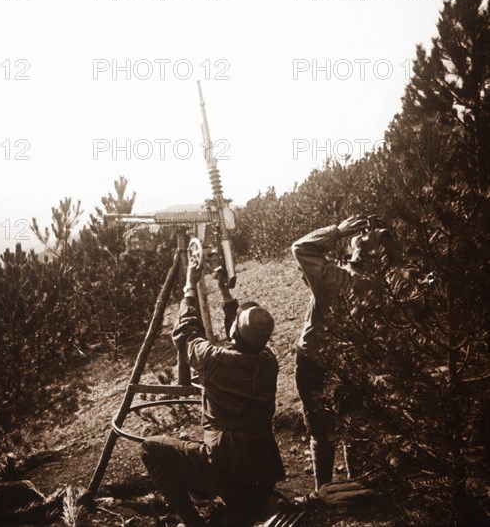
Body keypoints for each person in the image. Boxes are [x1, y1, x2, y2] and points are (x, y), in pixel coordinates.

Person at [140, 259, 285, 527]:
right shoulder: (268, 361)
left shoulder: (216, 360)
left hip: (229, 476)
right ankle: (239, 510)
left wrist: (189, 287)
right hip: (263, 478)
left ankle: (194, 523)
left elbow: (186, 334)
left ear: (235, 333)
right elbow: (240, 337)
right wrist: (225, 292)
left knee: (151, 449)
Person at [291, 215, 395, 491]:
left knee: (322, 433)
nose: (365, 233)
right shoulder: (384, 288)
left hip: (315, 363)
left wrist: (337, 231)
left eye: (370, 236)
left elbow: (300, 248)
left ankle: (323, 491)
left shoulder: (335, 279)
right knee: (354, 429)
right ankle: (354, 489)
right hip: (353, 366)